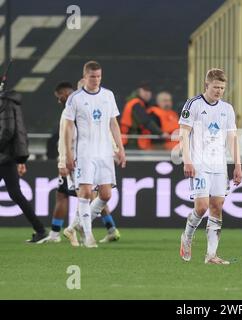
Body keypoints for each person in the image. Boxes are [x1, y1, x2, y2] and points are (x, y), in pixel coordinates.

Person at [39, 82, 121, 245]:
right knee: (86, 194)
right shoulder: (72, 109)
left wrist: (114, 149)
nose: (59, 100)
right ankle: (99, 230)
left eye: (60, 96)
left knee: (91, 194)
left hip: (84, 159)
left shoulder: (81, 107)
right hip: (77, 159)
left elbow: (105, 131)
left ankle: (73, 230)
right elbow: (65, 138)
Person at [179, 68, 242, 264]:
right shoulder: (193, 104)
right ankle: (187, 236)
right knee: (202, 207)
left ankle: (211, 255)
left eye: (222, 88)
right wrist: (187, 160)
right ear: (207, 85)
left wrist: (238, 165)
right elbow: (183, 134)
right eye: (216, 87)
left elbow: (233, 138)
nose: (219, 91)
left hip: (219, 165)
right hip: (199, 163)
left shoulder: (227, 109)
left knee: (217, 207)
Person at [63, 61, 126, 248]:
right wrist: (67, 154)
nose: (96, 80)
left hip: (105, 152)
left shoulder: (108, 95)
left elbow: (113, 123)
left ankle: (74, 226)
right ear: (85, 77)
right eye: (92, 77)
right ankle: (88, 236)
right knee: (86, 192)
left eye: (99, 76)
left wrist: (120, 148)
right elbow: (67, 128)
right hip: (85, 153)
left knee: (106, 195)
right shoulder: (75, 98)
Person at [0, 90, 47, 242]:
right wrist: (21, 159)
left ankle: (40, 230)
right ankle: (40, 230)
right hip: (9, 156)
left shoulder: (4, 103)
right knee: (16, 194)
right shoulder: (11, 103)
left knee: (16, 194)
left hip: (4, 156)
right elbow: (20, 132)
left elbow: (7, 131)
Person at [120, 82, 166, 150]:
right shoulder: (136, 104)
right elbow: (145, 121)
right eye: (144, 90)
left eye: (149, 91)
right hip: (130, 141)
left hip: (131, 140)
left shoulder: (138, 103)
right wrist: (161, 133)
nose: (147, 93)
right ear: (138, 91)